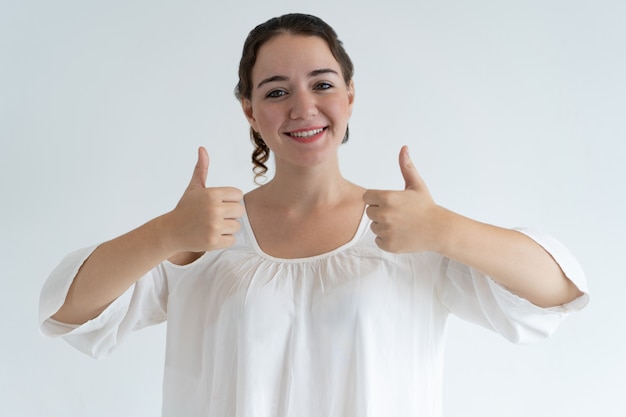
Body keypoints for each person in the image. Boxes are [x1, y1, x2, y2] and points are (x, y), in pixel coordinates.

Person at [39, 13, 589, 417]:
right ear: (251, 113)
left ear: (349, 96)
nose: (303, 107)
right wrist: (167, 233)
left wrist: (445, 230)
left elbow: (556, 292)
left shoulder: (406, 228)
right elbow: (67, 311)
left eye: (322, 84)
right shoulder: (208, 231)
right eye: (277, 91)